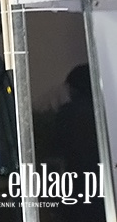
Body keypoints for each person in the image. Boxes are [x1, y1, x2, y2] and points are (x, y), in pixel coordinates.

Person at [52, 64, 106, 222]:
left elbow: (57, 150)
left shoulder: (68, 114)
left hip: (76, 189)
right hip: (102, 190)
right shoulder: (103, 113)